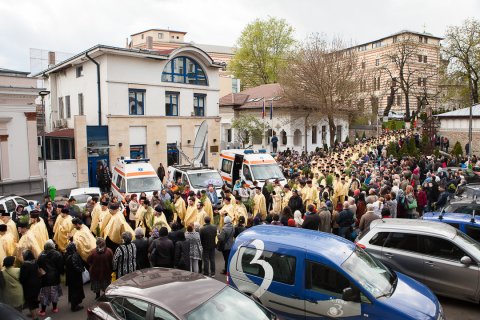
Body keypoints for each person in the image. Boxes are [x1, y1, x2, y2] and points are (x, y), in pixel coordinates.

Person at [37, 240, 64, 316]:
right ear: (52, 246)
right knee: (54, 293)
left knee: (44, 294)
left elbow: (38, 265)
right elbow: (60, 266)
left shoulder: (41, 254)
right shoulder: (57, 254)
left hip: (44, 278)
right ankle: (55, 308)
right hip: (55, 277)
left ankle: (43, 311)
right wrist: (61, 272)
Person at [20, 250, 41, 319]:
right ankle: (35, 314)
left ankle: (34, 317)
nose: (22, 256)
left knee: (30, 301)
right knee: (35, 300)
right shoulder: (35, 262)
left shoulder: (24, 265)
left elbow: (23, 278)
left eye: (23, 255)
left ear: (26, 256)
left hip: (29, 286)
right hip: (37, 284)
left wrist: (20, 280)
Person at [64, 242, 85, 312]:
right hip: (75, 277)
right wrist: (81, 270)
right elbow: (76, 266)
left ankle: (74, 305)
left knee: (72, 291)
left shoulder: (66, 255)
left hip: (70, 277)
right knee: (76, 291)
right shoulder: (75, 255)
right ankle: (75, 306)